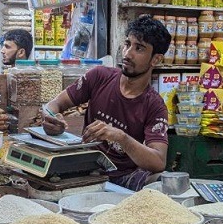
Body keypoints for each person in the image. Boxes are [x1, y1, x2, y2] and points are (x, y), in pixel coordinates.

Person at [42, 15, 169, 191]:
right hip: (85, 169)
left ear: (156, 59)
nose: (128, 53)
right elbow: (54, 105)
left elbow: (158, 161)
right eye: (127, 44)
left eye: (139, 48)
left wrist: (121, 137)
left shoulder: (155, 105)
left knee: (162, 182)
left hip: (125, 176)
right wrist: (50, 119)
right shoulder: (99, 76)